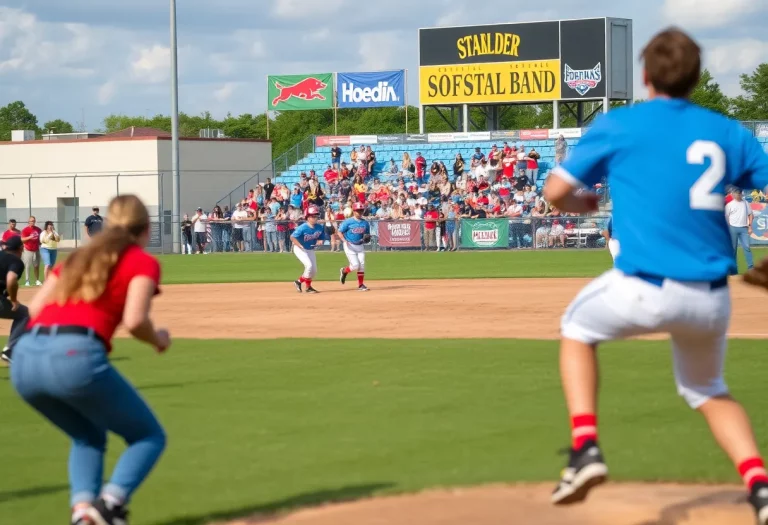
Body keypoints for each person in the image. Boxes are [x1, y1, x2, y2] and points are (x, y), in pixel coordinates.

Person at [542, 27, 768, 523]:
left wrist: (582, 203)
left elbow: (556, 191)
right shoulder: (728, 131)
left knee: (576, 329)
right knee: (707, 389)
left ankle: (585, 449)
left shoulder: (621, 124)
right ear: (695, 77)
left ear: (645, 75)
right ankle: (760, 487)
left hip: (644, 285)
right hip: (710, 298)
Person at [9, 195, 170, 525]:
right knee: (148, 436)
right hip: (74, 356)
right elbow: (136, 320)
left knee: (88, 436)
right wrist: (158, 339)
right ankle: (109, 504)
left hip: (25, 358)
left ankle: (84, 513)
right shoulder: (141, 261)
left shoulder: (78, 257)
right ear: (146, 229)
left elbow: (35, 309)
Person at [0, 236, 28, 363]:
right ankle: (10, 350)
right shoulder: (16, 261)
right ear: (21, 248)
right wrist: (14, 300)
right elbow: (11, 280)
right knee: (24, 314)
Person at [290, 205, 326, 294]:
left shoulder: (319, 227)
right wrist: (299, 245)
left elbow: (321, 237)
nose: (315, 218)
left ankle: (304, 285)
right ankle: (301, 283)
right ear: (307, 217)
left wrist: (320, 241)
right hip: (300, 249)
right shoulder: (303, 227)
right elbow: (292, 237)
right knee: (309, 266)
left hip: (310, 249)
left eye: (316, 216)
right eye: (312, 216)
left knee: (313, 271)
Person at [337, 202, 370, 292]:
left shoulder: (365, 223)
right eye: (357, 211)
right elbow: (339, 232)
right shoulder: (348, 222)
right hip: (349, 245)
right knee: (355, 265)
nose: (359, 212)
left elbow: (367, 235)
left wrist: (367, 238)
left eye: (361, 211)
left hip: (360, 245)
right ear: (354, 211)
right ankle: (344, 271)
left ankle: (360, 285)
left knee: (362, 265)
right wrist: (344, 240)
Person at [725, 188, 754, 275]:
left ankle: (751, 268)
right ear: (733, 194)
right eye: (737, 193)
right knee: (733, 250)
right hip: (733, 228)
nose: (738, 195)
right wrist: (729, 225)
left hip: (744, 228)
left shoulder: (745, 203)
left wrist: (750, 226)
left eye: (740, 193)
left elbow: (751, 215)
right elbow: (726, 216)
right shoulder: (729, 205)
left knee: (747, 248)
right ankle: (734, 271)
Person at [21, 216, 42, 286]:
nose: (32, 222)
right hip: (28, 250)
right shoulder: (25, 230)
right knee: (27, 266)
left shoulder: (38, 230)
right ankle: (27, 281)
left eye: (33, 221)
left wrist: (41, 242)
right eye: (31, 221)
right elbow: (22, 239)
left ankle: (37, 280)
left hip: (36, 250)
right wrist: (30, 237)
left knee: (36, 266)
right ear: (28, 222)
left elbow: (40, 239)